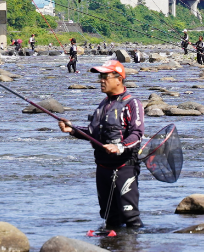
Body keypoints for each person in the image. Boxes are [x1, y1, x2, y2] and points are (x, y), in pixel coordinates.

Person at [59, 58, 145, 230]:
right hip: (103, 168)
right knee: (109, 218)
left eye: (105, 77)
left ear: (119, 79)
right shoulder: (103, 104)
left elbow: (137, 134)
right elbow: (94, 133)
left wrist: (119, 146)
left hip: (124, 167)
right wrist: (73, 130)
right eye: (100, 77)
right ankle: (111, 251)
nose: (101, 81)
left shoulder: (132, 103)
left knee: (130, 217)